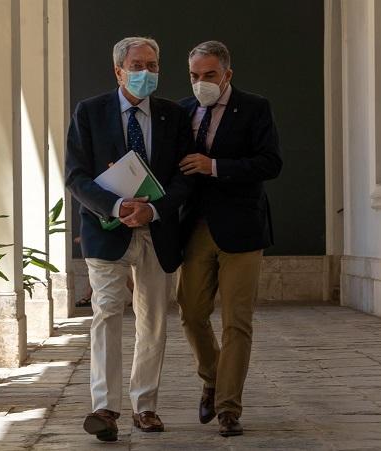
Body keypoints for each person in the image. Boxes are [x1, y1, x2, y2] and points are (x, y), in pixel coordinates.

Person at [65, 36, 193, 442]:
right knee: (106, 312)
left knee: (153, 320)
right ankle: (105, 406)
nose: (146, 74)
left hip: (157, 230)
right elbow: (76, 175)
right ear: (119, 71)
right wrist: (118, 206)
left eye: (153, 66)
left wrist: (153, 209)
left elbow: (183, 177)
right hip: (107, 231)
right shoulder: (90, 112)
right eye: (137, 66)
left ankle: (146, 405)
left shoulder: (174, 116)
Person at [177, 40, 283, 437]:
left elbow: (270, 162)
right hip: (195, 227)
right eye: (194, 76)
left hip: (241, 228)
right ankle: (212, 377)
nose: (201, 82)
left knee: (236, 321)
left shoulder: (255, 107)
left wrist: (215, 166)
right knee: (190, 312)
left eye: (209, 75)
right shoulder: (182, 111)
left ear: (227, 75)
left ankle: (228, 408)